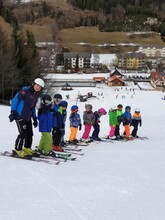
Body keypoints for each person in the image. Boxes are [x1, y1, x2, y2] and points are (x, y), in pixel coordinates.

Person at [8, 78, 45, 158]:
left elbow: (33, 108)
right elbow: (15, 100)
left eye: (40, 87)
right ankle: (18, 150)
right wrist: (13, 112)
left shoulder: (35, 96)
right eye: (37, 85)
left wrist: (34, 118)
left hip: (27, 118)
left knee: (30, 134)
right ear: (33, 84)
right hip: (19, 116)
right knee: (23, 133)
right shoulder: (25, 91)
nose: (38, 87)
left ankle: (27, 148)